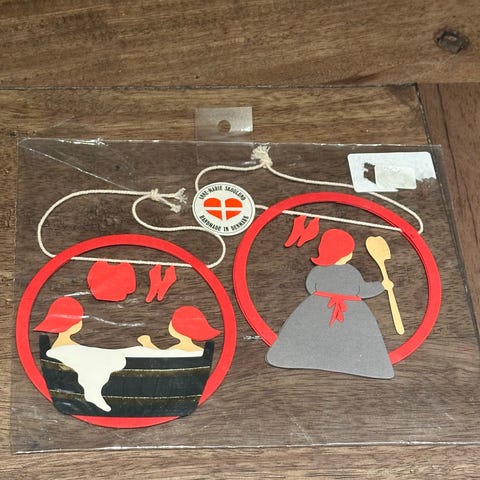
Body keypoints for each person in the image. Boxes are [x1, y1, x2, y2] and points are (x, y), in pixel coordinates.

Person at [35, 297, 221, 411]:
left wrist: (146, 346)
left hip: (126, 365)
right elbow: (162, 357)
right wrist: (147, 346)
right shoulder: (195, 353)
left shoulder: (57, 351)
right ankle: (93, 390)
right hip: (169, 386)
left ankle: (92, 390)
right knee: (113, 357)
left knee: (106, 358)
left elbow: (160, 357)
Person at [266, 228, 394, 379]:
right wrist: (382, 286)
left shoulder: (318, 271)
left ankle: (298, 358)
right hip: (351, 310)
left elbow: (311, 286)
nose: (351, 254)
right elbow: (362, 290)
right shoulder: (350, 272)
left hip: (316, 307)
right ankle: (360, 365)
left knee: (308, 333)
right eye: (349, 251)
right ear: (344, 253)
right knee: (354, 338)